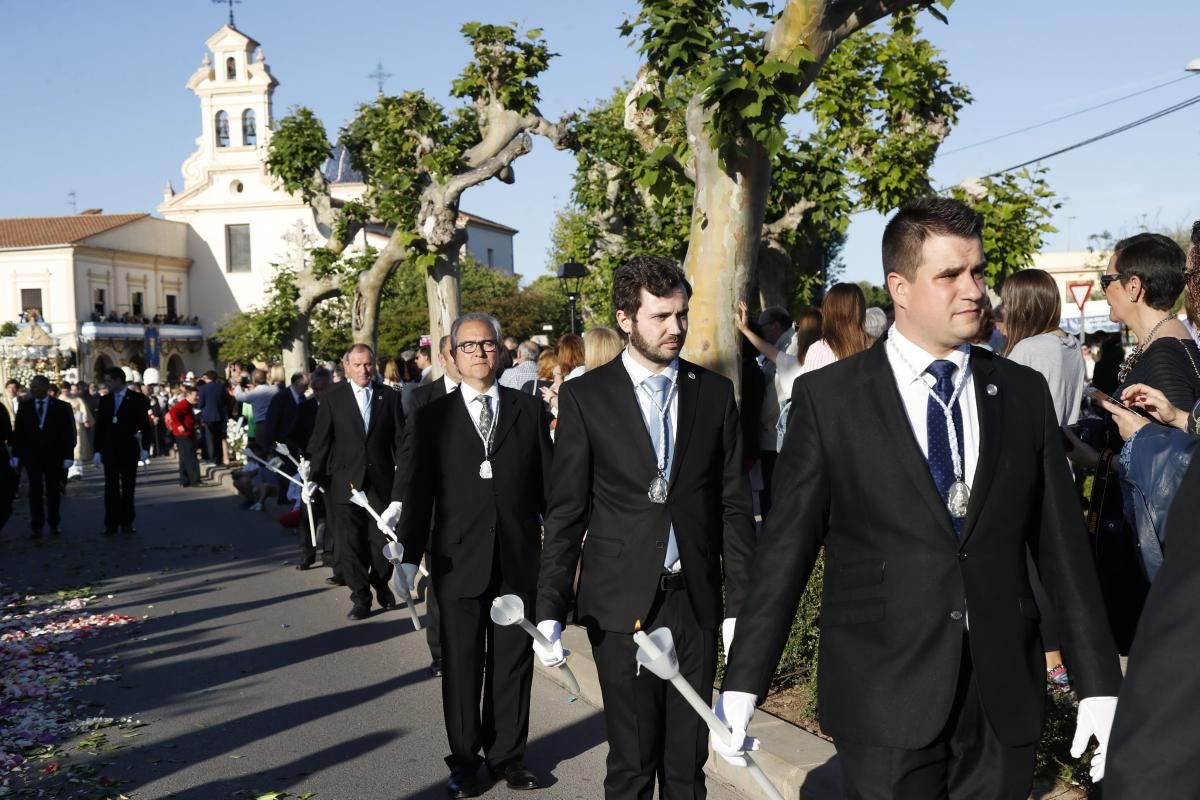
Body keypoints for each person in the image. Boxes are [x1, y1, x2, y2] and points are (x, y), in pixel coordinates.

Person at [713, 198, 1122, 798]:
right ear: (899, 287)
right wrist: (744, 681)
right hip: (882, 693)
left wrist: (1100, 684)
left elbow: (1062, 551)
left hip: (1002, 693)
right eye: (950, 275)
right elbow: (785, 549)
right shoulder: (831, 399)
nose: (974, 291)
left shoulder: (1020, 392)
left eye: (978, 272)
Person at [537, 256, 755, 799]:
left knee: (687, 766)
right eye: (661, 316)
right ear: (626, 319)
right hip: (619, 606)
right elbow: (567, 512)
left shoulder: (712, 393)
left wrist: (738, 609)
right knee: (633, 763)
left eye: (681, 314)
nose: (675, 328)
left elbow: (732, 506)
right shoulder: (587, 398)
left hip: (695, 603)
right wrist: (549, 610)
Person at [396, 313, 554, 798]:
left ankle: (509, 756)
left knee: (511, 663)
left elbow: (549, 488)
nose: (480, 354)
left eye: (488, 345)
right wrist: (407, 557)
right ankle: (465, 760)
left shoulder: (527, 412)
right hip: (455, 560)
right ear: (452, 355)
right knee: (463, 665)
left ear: (502, 354)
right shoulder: (432, 416)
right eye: (469, 346)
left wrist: (568, 549)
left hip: (515, 558)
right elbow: (418, 492)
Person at [1000, 268, 1087, 692]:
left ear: (1020, 304)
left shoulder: (1027, 351)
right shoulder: (1070, 346)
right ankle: (1062, 662)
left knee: (1031, 573)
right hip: (1063, 470)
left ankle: (1053, 668)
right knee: (1053, 572)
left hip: (1027, 473)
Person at [305, 344, 407, 621]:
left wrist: (405, 479)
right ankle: (360, 597)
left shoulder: (389, 397)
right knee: (350, 544)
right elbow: (321, 440)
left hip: (379, 483)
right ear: (346, 366)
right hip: (345, 482)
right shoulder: (332, 398)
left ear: (374, 365)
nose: (364, 370)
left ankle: (380, 583)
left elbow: (401, 443)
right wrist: (312, 477)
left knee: (380, 542)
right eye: (358, 365)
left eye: (368, 364)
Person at [396, 334, 461, 677]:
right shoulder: (423, 397)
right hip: (437, 509)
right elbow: (410, 452)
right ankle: (440, 653)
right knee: (439, 586)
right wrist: (399, 498)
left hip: (476, 512)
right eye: (457, 351)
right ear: (444, 357)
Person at [12, 376, 76, 538]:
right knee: (35, 490)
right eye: (32, 386)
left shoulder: (62, 407)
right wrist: (16, 455)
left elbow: (69, 433)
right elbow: (19, 433)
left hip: (54, 456)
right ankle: (37, 524)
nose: (33, 389)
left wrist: (68, 455)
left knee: (53, 490)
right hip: (32, 456)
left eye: (36, 386)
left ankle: (54, 523)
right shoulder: (25, 407)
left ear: (46, 387)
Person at [93, 367, 153, 535]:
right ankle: (111, 523)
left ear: (119, 380)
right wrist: (97, 450)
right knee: (110, 486)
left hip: (129, 448)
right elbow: (101, 427)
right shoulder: (105, 400)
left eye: (109, 381)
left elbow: (144, 425)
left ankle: (127, 521)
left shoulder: (137, 398)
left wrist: (145, 448)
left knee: (128, 486)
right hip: (110, 449)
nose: (107, 384)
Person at [294, 368, 335, 574]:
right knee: (307, 510)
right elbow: (299, 433)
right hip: (310, 466)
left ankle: (329, 554)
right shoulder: (306, 407)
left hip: (331, 466)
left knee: (330, 513)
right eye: (315, 389)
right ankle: (307, 553)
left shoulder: (338, 404)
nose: (319, 393)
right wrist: (302, 457)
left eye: (322, 388)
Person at [797, 282, 872, 376]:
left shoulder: (819, 350)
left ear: (828, 312)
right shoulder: (875, 351)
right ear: (860, 312)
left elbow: (811, 389)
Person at [167, 385, 202, 487]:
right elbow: (173, 412)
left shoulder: (188, 405)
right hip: (183, 434)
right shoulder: (184, 404)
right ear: (189, 395)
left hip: (186, 433)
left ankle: (184, 480)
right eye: (196, 395)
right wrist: (179, 425)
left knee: (184, 457)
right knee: (191, 457)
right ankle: (195, 480)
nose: (197, 398)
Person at [197, 371, 229, 464]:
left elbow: (201, 404)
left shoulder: (203, 389)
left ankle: (212, 459)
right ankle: (219, 459)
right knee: (219, 438)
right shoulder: (221, 388)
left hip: (208, 416)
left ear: (207, 377)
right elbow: (225, 401)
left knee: (210, 438)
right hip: (220, 415)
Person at [66, 384, 94, 479]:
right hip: (65, 427)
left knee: (78, 448)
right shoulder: (60, 399)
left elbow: (84, 412)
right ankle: (68, 472)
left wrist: (85, 420)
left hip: (77, 426)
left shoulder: (78, 400)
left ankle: (77, 472)